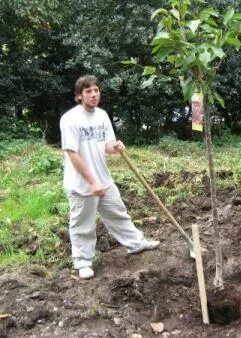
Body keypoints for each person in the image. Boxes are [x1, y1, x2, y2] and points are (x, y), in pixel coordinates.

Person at [60, 75, 160, 279]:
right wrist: (91, 181)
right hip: (82, 184)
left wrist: (115, 147)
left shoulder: (102, 115)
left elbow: (106, 145)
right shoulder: (70, 119)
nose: (94, 94)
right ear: (79, 96)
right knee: (83, 225)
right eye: (88, 91)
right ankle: (82, 262)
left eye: (96, 90)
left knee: (118, 213)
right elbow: (72, 154)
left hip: (103, 179)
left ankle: (136, 244)